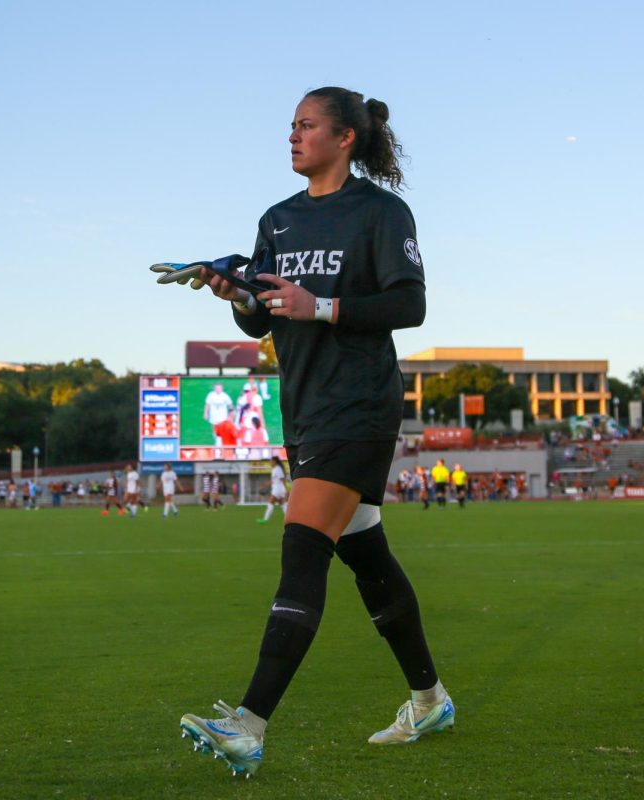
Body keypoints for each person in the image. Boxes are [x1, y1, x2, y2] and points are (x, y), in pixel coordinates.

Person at [176, 87, 452, 778]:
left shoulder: (382, 212)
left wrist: (320, 303)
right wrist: (237, 292)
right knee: (367, 557)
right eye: (292, 126)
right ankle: (430, 698)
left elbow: (410, 303)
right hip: (302, 406)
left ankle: (249, 723)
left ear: (344, 138)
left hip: (359, 403)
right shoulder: (278, 219)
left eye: (305, 125)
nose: (292, 136)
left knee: (302, 549)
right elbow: (266, 317)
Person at [204, 383, 235, 454]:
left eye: (219, 388)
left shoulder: (225, 396)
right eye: (216, 388)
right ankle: (217, 441)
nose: (218, 390)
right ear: (214, 389)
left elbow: (230, 405)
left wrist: (231, 414)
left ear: (222, 389)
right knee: (215, 430)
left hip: (222, 417)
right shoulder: (210, 395)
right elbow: (207, 405)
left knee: (222, 431)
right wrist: (205, 413)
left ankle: (220, 444)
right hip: (213, 417)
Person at [258, 455, 289, 524]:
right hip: (278, 489)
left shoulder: (278, 469)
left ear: (275, 462)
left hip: (278, 489)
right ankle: (289, 518)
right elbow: (273, 480)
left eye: (271, 461)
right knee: (283, 504)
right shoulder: (275, 469)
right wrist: (264, 485)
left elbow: (282, 479)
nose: (270, 463)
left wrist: (286, 490)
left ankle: (265, 519)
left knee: (270, 502)